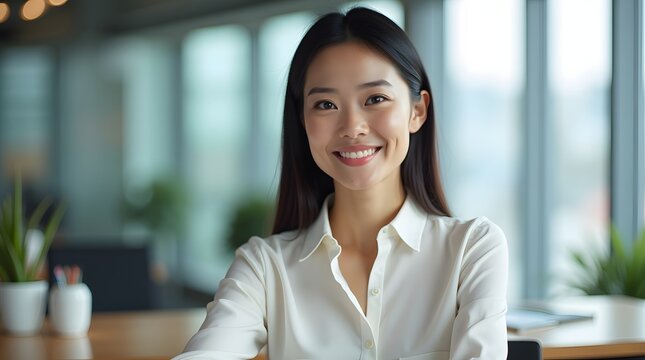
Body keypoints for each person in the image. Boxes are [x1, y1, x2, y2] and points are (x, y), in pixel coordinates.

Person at [174, 7, 508, 360]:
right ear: (302, 120)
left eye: (375, 99)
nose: (352, 126)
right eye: (326, 104)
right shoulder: (264, 266)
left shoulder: (472, 249)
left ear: (417, 111)